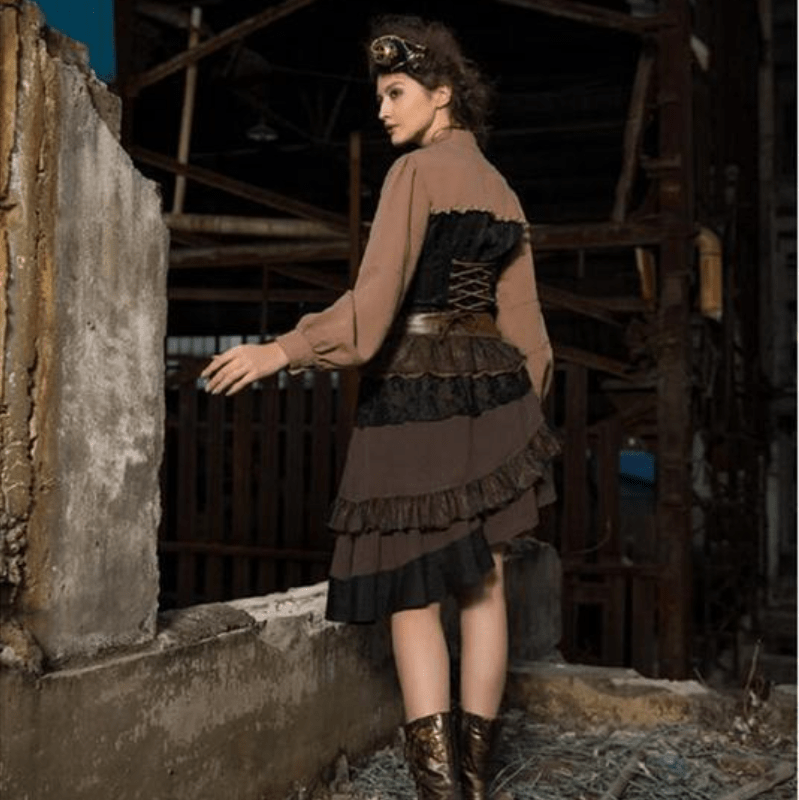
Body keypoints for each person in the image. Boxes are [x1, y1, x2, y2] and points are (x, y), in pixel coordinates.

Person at [202, 15, 558, 800]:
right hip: (498, 399)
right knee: (486, 591)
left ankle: (441, 793)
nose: (382, 109)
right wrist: (517, 432)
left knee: (411, 592)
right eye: (380, 95)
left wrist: (281, 351)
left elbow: (371, 313)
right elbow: (531, 337)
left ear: (442, 94)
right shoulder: (504, 192)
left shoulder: (414, 174)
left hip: (416, 402)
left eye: (396, 93)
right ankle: (474, 784)